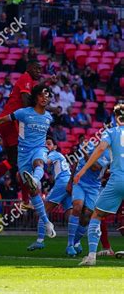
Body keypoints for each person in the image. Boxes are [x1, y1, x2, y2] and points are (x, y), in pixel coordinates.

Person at [0, 84, 57, 239]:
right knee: (33, 192)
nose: (45, 98)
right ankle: (46, 222)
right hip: (23, 154)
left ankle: (35, 180)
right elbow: (2, 120)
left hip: (39, 149)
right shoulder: (23, 113)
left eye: (47, 95)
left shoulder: (49, 117)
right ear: (35, 97)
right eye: (42, 95)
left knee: (39, 163)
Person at [0, 61, 55, 209]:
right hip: (11, 122)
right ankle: (22, 200)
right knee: (22, 160)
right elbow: (25, 102)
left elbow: (35, 91)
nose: (39, 71)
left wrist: (47, 81)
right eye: (36, 68)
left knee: (13, 161)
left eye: (40, 70)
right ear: (28, 68)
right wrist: (50, 108)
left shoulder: (29, 82)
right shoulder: (25, 79)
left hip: (9, 123)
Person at [74, 104, 124, 266]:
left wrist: (82, 171)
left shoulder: (110, 132)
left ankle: (92, 256)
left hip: (118, 179)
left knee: (96, 215)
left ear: (116, 118)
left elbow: (101, 148)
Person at [66, 140, 110, 257]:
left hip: (94, 187)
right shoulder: (88, 144)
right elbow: (76, 162)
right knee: (77, 207)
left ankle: (75, 242)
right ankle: (70, 244)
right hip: (79, 182)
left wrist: (85, 153)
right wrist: (70, 181)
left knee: (87, 216)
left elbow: (95, 167)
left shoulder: (108, 154)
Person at [27, 137, 72, 251]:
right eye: (44, 144)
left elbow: (44, 161)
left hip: (62, 183)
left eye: (49, 144)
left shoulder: (53, 154)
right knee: (70, 215)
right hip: (68, 183)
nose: (46, 146)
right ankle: (73, 244)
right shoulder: (59, 156)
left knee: (43, 210)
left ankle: (40, 241)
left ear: (55, 147)